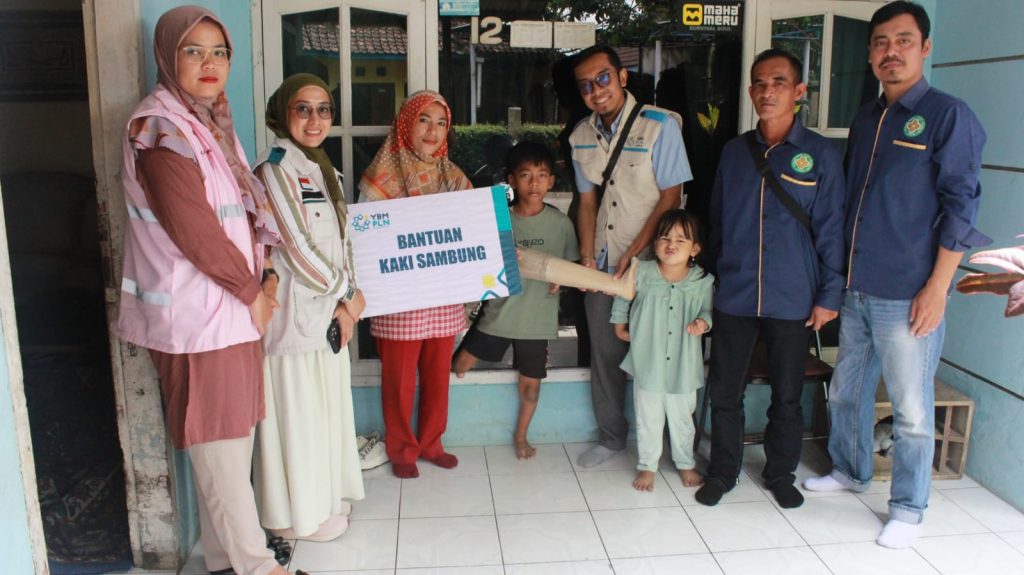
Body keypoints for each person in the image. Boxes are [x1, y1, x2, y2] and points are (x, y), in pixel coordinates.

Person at [113, 6, 307, 575]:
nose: (210, 63)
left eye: (219, 52)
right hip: (198, 318)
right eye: (193, 51)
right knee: (220, 449)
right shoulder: (159, 129)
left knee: (227, 446)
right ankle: (258, 568)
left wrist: (265, 278)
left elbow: (240, 217)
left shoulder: (209, 124)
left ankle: (223, 560)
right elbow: (194, 229)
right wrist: (253, 291)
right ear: (168, 57)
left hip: (230, 310)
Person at [803, 1, 990, 548]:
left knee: (910, 409)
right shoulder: (867, 117)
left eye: (904, 40)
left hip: (909, 293)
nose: (892, 52)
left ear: (925, 47)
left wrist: (938, 288)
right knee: (847, 392)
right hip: (858, 288)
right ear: (870, 53)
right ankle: (850, 470)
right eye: (881, 42)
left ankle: (908, 507)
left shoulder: (948, 116)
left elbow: (961, 209)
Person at [696, 49, 845, 509]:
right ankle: (723, 471)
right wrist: (717, 276)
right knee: (726, 391)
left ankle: (781, 473)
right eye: (759, 83)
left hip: (793, 294)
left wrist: (829, 294)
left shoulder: (820, 154)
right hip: (736, 294)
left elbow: (832, 229)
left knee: (787, 395)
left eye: (778, 82)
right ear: (750, 91)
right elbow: (718, 221)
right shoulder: (734, 152)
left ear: (799, 91)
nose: (767, 91)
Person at [251, 74, 365, 542]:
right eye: (303, 108)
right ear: (284, 113)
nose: (315, 120)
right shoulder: (274, 170)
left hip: (328, 314)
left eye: (324, 110)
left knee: (323, 413)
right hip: (294, 317)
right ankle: (292, 518)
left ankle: (323, 502)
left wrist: (348, 304)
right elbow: (295, 248)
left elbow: (343, 242)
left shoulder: (323, 170)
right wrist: (347, 293)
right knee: (296, 417)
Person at [569, 45, 694, 468]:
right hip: (604, 266)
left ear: (622, 77)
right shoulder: (580, 136)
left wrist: (637, 252)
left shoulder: (660, 126)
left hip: (657, 265)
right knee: (605, 355)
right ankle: (611, 437)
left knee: (662, 356)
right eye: (586, 85)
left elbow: (671, 197)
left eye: (603, 78)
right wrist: (587, 257)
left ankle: (672, 445)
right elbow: (587, 203)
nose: (596, 90)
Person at [358, 90, 472, 479]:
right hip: (399, 299)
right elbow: (366, 240)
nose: (433, 131)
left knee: (438, 376)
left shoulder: (454, 177)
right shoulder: (381, 178)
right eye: (424, 120)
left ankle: (432, 443)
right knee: (399, 379)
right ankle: (402, 448)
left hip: (442, 297)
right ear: (406, 124)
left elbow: (473, 231)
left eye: (441, 123)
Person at [451, 141, 580, 459]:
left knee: (531, 388)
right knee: (459, 365)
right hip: (499, 315)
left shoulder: (562, 224)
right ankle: (452, 427)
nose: (534, 183)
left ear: (552, 181)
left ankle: (521, 436)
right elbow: (479, 263)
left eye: (542, 175)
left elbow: (571, 267)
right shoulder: (499, 220)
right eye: (525, 175)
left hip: (537, 321)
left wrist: (561, 280)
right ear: (511, 180)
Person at [611, 209, 712, 491]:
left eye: (681, 240)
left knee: (682, 417)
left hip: (683, 363)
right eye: (665, 238)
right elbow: (622, 297)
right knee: (648, 416)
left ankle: (685, 462)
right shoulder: (641, 271)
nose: (671, 244)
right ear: (655, 244)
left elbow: (708, 311)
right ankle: (647, 466)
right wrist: (619, 325)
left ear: (695, 249)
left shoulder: (702, 280)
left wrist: (703, 323)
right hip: (649, 359)